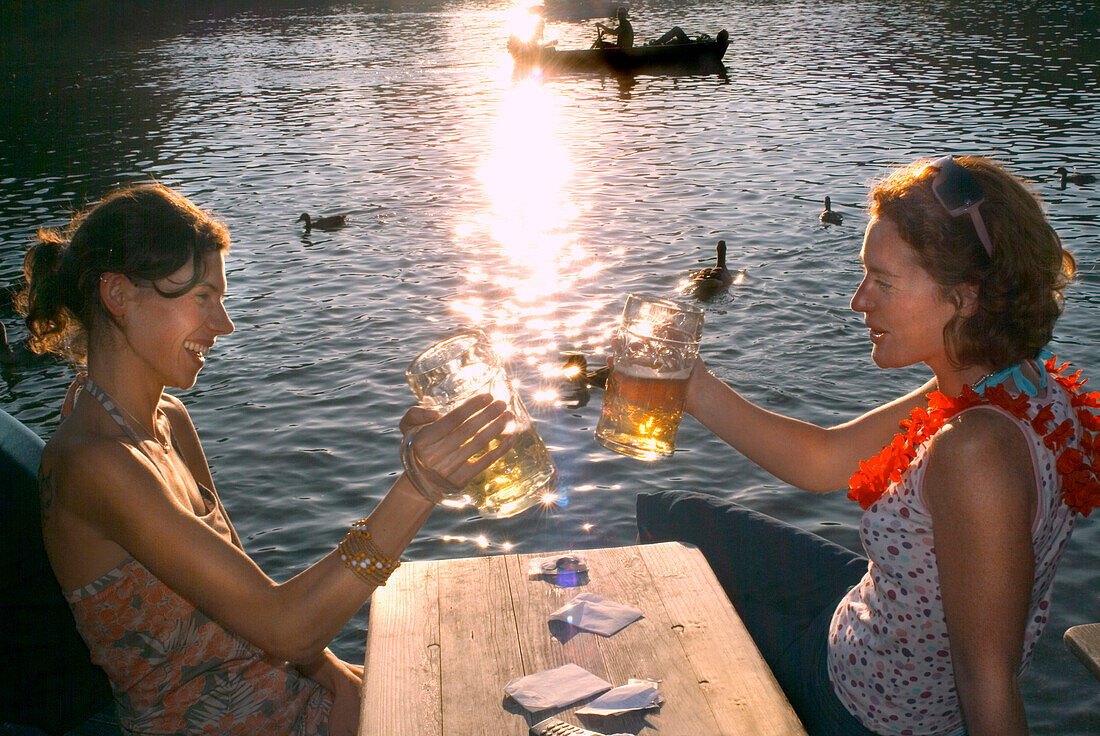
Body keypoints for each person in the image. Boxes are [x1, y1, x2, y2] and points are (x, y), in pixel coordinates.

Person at [15, 183, 516, 736]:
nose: (224, 324)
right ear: (119, 296)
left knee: (485, 683)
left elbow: (253, 607)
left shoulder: (168, 420)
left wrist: (336, 675)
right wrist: (418, 487)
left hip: (281, 693)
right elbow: (284, 628)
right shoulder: (93, 463)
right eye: (203, 298)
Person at [635, 156, 1099, 735]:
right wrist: (693, 386)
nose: (859, 301)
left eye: (882, 281)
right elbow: (825, 459)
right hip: (876, 617)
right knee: (675, 518)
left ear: (966, 296)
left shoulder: (977, 453)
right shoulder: (1008, 383)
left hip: (866, 708)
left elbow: (988, 684)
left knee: (671, 589)